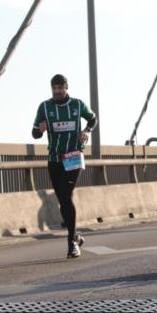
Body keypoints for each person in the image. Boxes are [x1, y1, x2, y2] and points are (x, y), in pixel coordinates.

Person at [32, 73, 97, 258]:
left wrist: (87, 131)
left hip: (74, 156)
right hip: (54, 159)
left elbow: (93, 119)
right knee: (63, 201)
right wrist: (40, 130)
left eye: (61, 88)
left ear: (66, 88)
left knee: (66, 197)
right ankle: (75, 235)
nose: (58, 91)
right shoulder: (45, 107)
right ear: (52, 89)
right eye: (55, 88)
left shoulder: (77, 104)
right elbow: (35, 133)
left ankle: (71, 244)